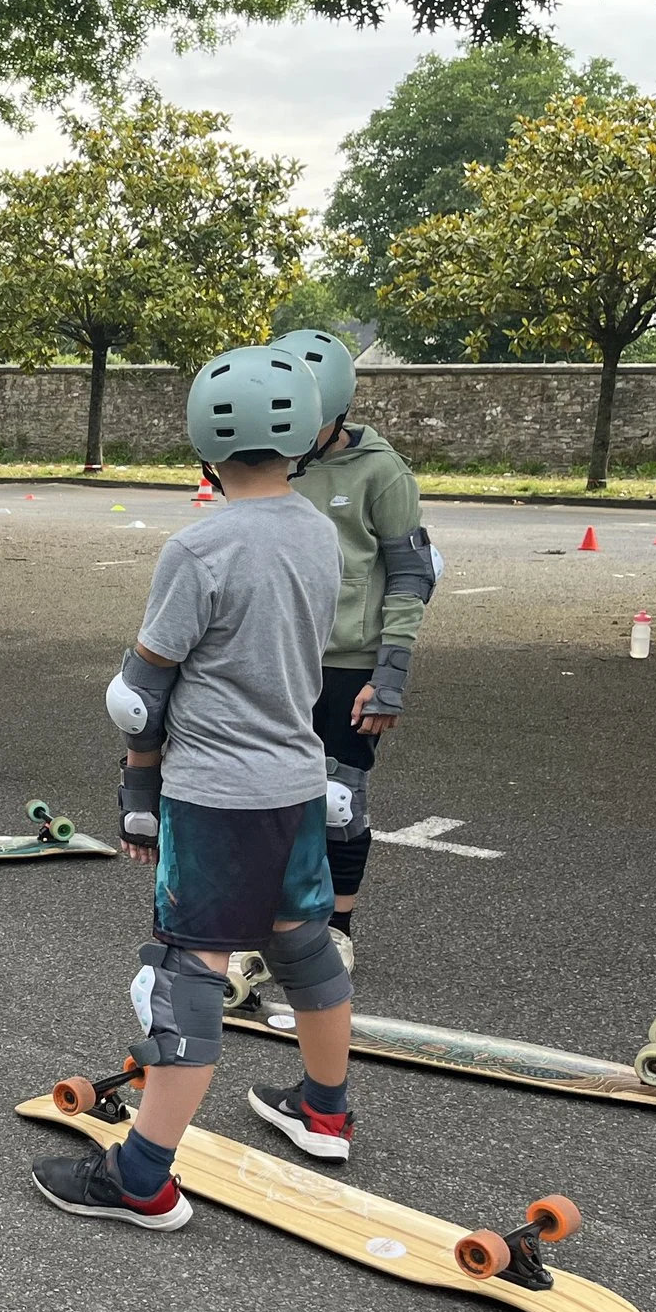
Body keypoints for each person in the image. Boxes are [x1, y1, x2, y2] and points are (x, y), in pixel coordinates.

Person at [32, 344, 359, 1237]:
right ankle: (326, 1111)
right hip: (297, 779)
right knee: (304, 945)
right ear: (297, 432)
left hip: (215, 793)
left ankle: (142, 1176)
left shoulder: (199, 544)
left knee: (188, 976)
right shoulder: (318, 532)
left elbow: (139, 688)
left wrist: (136, 764)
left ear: (203, 441)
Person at [268, 327, 437, 974]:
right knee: (270, 793)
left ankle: (335, 928)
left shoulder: (380, 471)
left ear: (335, 412)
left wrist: (391, 671)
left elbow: (411, 574)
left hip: (348, 662)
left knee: (337, 800)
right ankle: (278, 914)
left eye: (303, 420)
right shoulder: (269, 464)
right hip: (279, 658)